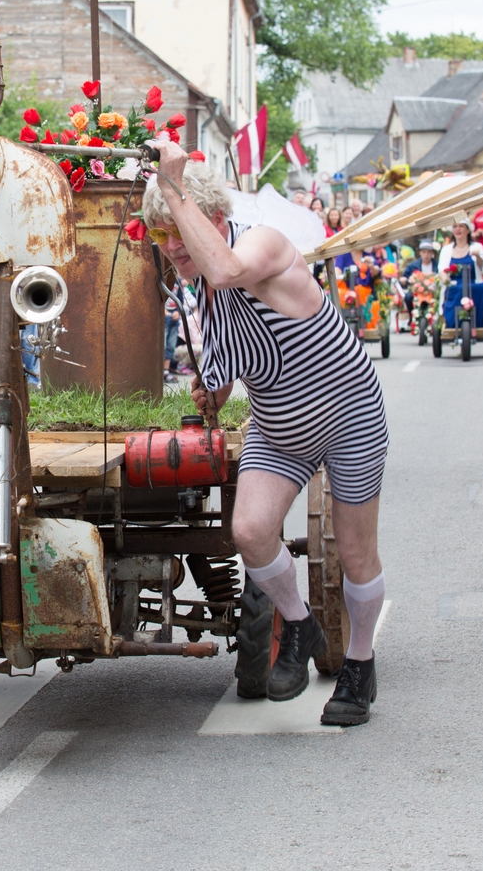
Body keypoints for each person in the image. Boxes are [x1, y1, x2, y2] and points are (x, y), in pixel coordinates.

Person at [145, 142, 388, 726]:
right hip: (280, 424)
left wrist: (175, 187)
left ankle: (360, 664)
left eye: (180, 231)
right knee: (250, 531)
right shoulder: (198, 285)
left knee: (354, 554)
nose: (174, 247)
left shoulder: (262, 244)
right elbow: (239, 349)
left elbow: (228, 269)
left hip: (347, 414)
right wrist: (217, 393)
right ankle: (300, 628)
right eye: (161, 236)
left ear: (215, 221)